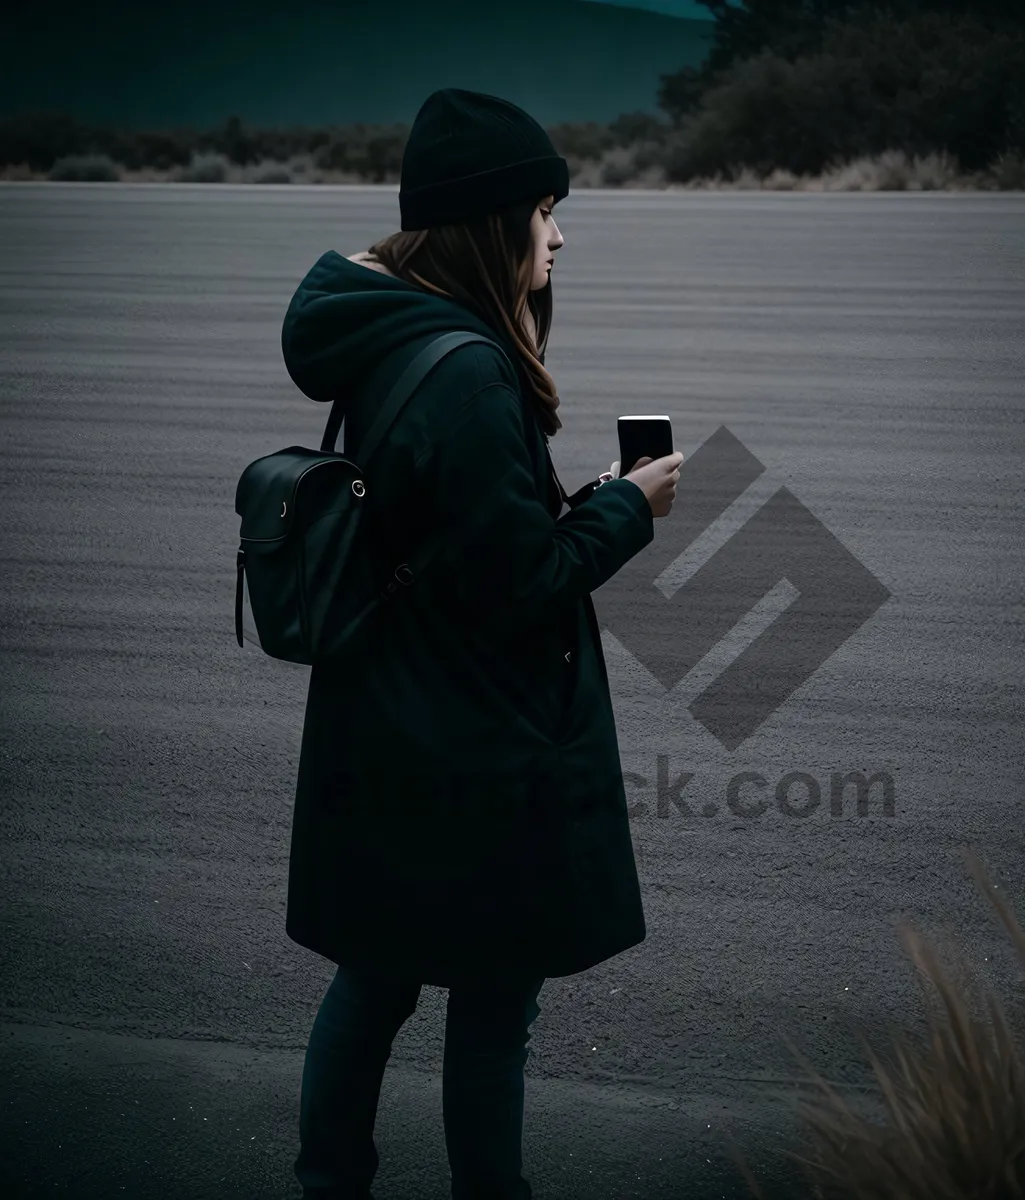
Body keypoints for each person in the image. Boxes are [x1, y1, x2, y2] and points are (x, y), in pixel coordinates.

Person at [279, 88, 685, 1200]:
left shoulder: (394, 329)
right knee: (494, 1002)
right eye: (543, 212)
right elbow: (523, 586)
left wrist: (571, 500)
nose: (560, 235)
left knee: (378, 976)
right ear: (489, 224)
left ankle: (327, 1182)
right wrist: (628, 509)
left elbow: (457, 533)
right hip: (472, 735)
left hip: (391, 708)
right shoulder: (465, 370)